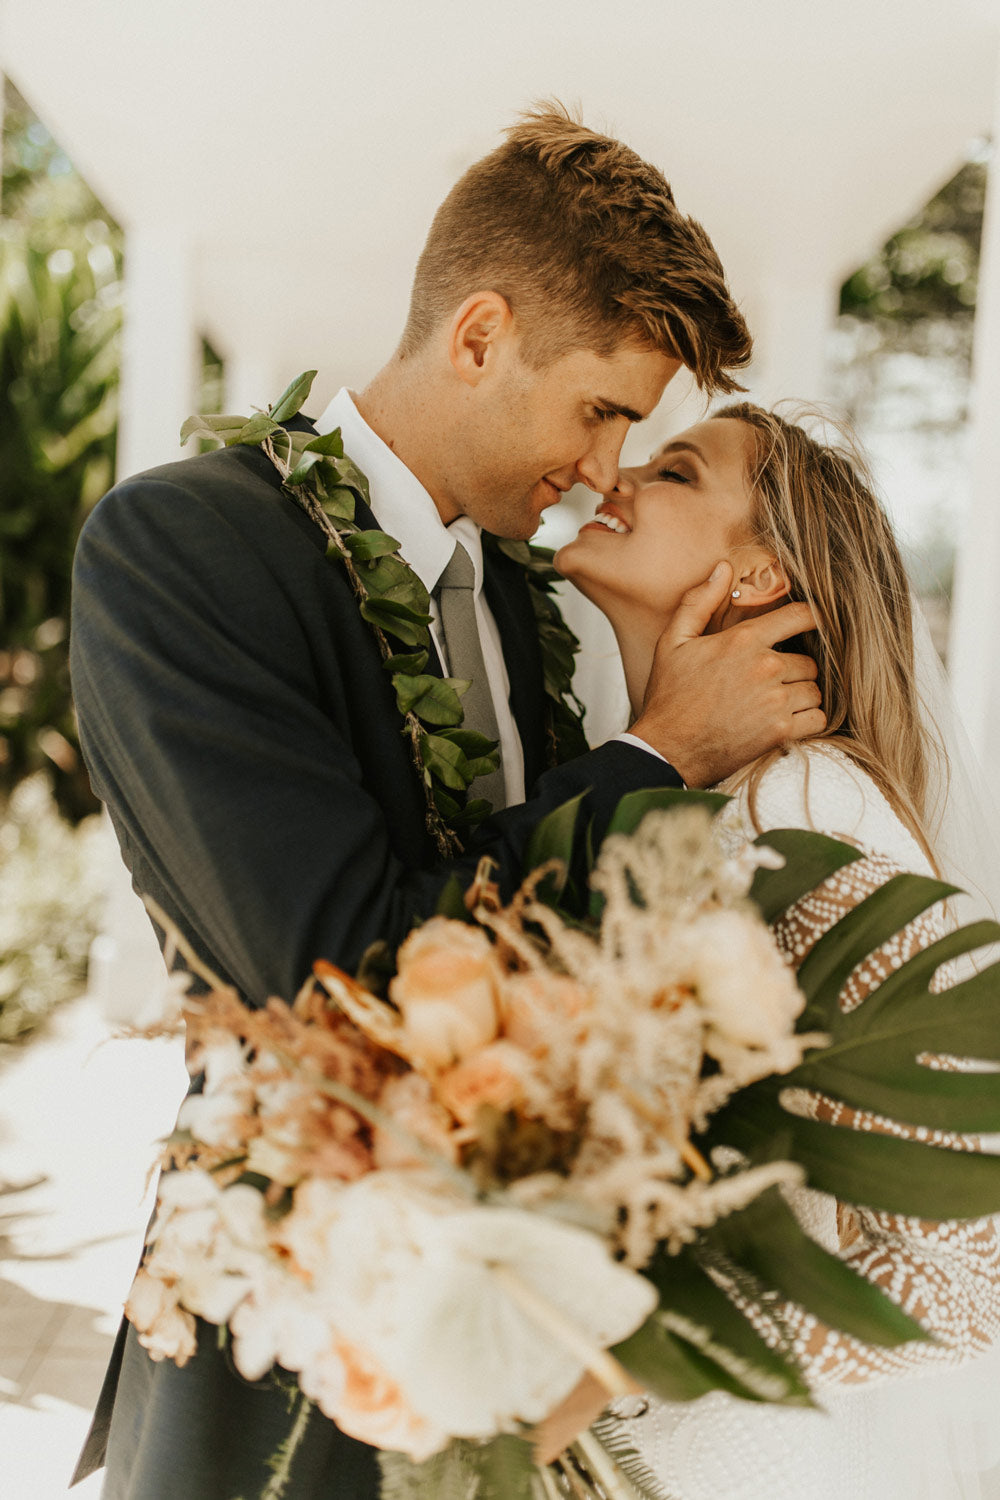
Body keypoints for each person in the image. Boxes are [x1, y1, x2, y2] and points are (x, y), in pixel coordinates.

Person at [69, 108, 823, 1499]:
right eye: (602, 409)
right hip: (281, 1358)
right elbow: (341, 963)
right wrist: (656, 761)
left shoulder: (534, 609)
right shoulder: (185, 546)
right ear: (479, 335)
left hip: (521, 1359)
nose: (605, 470)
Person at [555, 402, 1000, 1500]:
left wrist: (604, 1370)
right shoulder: (688, 802)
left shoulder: (804, 802)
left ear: (756, 575)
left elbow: (963, 1261)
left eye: (673, 470)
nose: (614, 474)